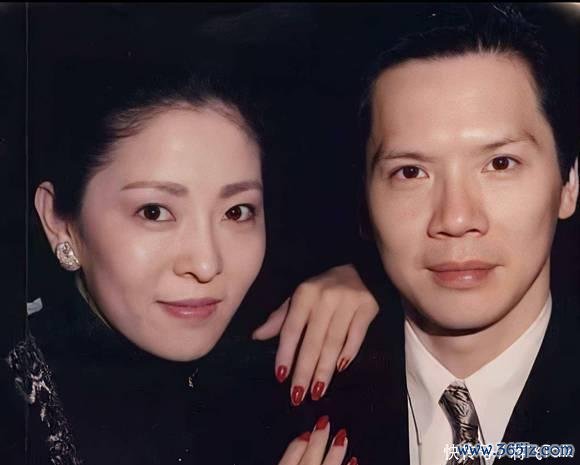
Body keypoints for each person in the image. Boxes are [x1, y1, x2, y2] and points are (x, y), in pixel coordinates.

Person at [5, 66, 378, 465]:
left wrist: (383, 289)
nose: (206, 264)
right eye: (154, 212)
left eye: (237, 211)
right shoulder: (19, 411)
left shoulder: (282, 365)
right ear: (60, 223)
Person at [277, 4, 579, 465]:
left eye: (500, 164)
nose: (455, 218)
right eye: (410, 172)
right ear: (364, 200)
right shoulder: (256, 408)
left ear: (568, 184)